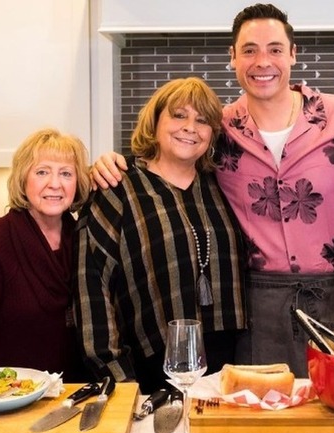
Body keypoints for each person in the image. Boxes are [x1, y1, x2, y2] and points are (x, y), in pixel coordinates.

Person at [89, 3, 334, 377]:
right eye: (248, 50)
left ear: (293, 54)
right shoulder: (219, 128)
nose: (262, 62)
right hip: (257, 306)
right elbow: (167, 158)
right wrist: (110, 163)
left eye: (274, 49)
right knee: (263, 412)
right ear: (232, 58)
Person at [73, 77, 246, 394]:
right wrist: (120, 381)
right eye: (179, 115)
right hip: (149, 371)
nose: (190, 127)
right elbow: (92, 290)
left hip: (230, 369)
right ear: (154, 123)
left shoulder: (223, 185)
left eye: (202, 120)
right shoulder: (118, 188)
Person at [0, 128, 93, 382]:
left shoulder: (86, 238)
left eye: (66, 173)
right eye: (42, 172)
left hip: (76, 398)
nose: (55, 184)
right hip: (9, 403)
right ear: (23, 179)